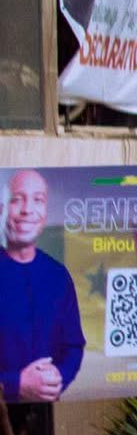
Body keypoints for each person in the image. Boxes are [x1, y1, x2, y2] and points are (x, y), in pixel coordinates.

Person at [0, 170, 84, 403]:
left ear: (45, 213)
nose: (27, 210)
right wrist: (16, 384)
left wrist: (59, 376)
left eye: (38, 200)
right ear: (2, 208)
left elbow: (73, 346)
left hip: (44, 417)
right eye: (17, 199)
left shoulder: (58, 276)